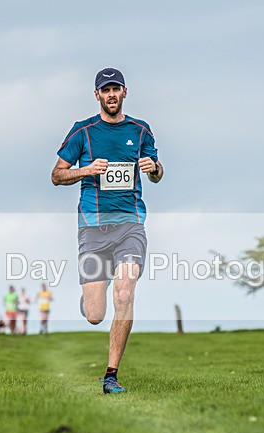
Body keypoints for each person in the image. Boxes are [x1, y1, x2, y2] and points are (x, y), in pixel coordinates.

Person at [51, 67, 164, 394]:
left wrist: (153, 168)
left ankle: (111, 374)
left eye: (116, 89)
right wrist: (86, 169)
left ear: (125, 92)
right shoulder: (82, 132)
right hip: (93, 230)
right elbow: (57, 175)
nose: (111, 95)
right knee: (96, 315)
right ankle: (89, 300)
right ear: (97, 95)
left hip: (130, 225)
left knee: (125, 293)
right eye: (105, 90)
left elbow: (158, 173)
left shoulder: (140, 131)